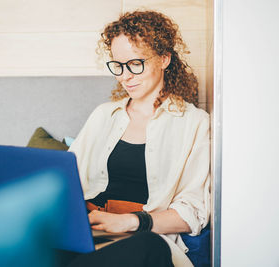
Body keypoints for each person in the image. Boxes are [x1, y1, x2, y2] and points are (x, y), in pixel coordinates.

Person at [67, 10, 210, 267]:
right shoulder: (103, 115)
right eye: (118, 66)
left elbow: (193, 212)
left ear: (164, 58)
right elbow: (66, 177)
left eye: (135, 63)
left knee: (147, 247)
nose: (124, 76)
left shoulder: (195, 123)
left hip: (141, 236)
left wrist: (131, 221)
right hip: (88, 230)